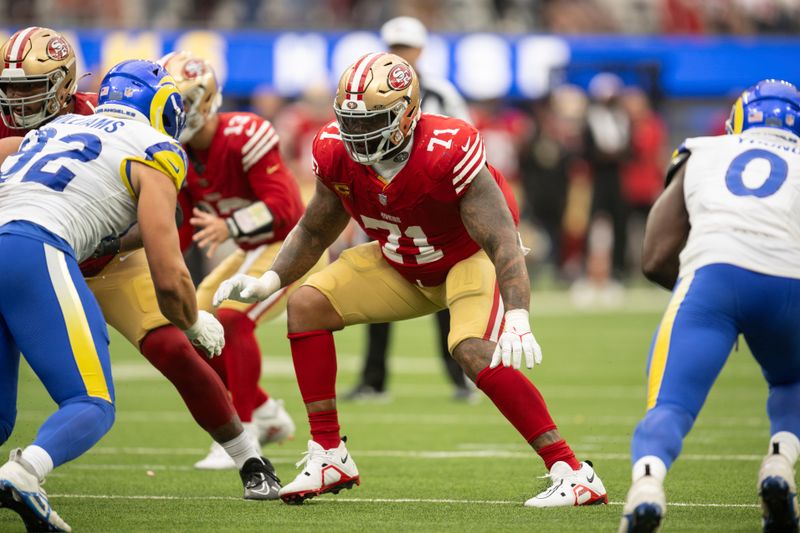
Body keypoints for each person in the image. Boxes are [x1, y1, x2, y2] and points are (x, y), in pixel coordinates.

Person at [215, 52, 607, 506]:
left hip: (466, 259)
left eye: (372, 121)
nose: (357, 133)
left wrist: (518, 313)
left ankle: (572, 471)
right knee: (306, 305)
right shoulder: (333, 150)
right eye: (350, 121)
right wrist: (271, 280)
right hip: (399, 261)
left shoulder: (448, 149)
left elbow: (502, 239)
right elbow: (315, 227)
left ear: (407, 113)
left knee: (470, 349)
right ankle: (328, 455)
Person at [0, 28, 283, 499]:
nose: (21, 101)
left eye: (32, 87)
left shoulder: (104, 112)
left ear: (68, 82)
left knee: (173, 348)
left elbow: (165, 214)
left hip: (99, 257)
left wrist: (110, 234)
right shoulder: (137, 133)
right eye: (11, 89)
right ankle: (28, 470)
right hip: (46, 252)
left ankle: (247, 456)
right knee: (72, 403)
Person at [619, 79, 800, 533]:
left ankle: (646, 486)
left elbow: (655, 256)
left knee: (670, 404)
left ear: (740, 118)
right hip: (789, 283)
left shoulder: (704, 150)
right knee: (793, 380)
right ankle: (780, 462)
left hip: (713, 277)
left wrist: (703, 308)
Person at [160, 51, 324, 469]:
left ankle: (244, 430)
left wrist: (231, 225)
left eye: (182, 100)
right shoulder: (174, 150)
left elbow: (286, 210)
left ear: (206, 98)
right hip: (254, 249)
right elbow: (179, 228)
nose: (176, 110)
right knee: (192, 320)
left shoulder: (243, 132)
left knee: (232, 320)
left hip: (292, 247)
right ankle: (267, 413)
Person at [346, 15, 475, 402]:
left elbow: (466, 143)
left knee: (444, 294)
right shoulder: (366, 90)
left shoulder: (440, 92)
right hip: (381, 201)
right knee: (377, 291)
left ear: (419, 50)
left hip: (431, 205)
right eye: (393, 46)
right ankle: (373, 380)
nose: (400, 53)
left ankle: (460, 378)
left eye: (405, 47)